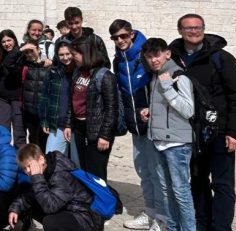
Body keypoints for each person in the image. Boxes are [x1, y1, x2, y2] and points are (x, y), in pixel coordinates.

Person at [170, 14, 236, 231]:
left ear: (204, 29)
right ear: (180, 31)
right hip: (191, 133)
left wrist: (235, 133)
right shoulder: (174, 58)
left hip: (220, 131)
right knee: (198, 181)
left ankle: (221, 227)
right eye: (188, 28)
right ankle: (201, 224)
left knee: (222, 185)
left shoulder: (222, 58)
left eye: (197, 27)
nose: (193, 32)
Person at [110, 19, 161, 231]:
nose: (120, 40)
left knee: (157, 172)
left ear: (131, 34)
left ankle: (162, 217)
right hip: (136, 125)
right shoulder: (118, 60)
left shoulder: (147, 54)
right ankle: (150, 212)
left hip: (155, 124)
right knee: (143, 170)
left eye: (123, 36)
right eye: (115, 38)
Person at [141, 38, 195, 231]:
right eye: (149, 57)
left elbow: (189, 110)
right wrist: (150, 111)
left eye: (157, 55)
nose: (153, 60)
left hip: (177, 144)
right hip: (159, 141)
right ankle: (171, 228)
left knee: (181, 192)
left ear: (167, 54)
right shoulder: (158, 75)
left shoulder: (178, 75)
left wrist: (168, 89)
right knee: (165, 191)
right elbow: (167, 108)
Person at [8, 144, 102, 231]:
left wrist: (37, 178)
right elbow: (31, 194)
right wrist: (15, 209)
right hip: (64, 207)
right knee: (26, 192)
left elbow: (50, 207)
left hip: (83, 215)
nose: (28, 170)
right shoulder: (44, 169)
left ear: (41, 159)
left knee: (50, 222)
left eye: (29, 166)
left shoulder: (60, 173)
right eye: (24, 168)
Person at [64, 40, 117, 181]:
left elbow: (111, 108)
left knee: (96, 172)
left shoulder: (104, 75)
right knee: (84, 168)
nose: (72, 57)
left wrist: (105, 135)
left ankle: (105, 202)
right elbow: (72, 101)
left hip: (97, 130)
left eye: (74, 54)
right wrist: (69, 124)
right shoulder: (78, 73)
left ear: (85, 54)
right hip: (79, 128)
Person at [39, 42, 77, 162]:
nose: (65, 58)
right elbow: (45, 96)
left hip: (75, 125)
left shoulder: (79, 72)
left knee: (77, 162)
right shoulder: (53, 72)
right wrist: (44, 120)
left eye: (68, 54)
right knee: (51, 159)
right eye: (61, 55)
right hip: (58, 123)